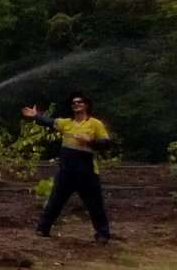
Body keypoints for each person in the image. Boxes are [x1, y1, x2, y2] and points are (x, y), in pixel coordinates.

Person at [21, 91, 112, 241]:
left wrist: (89, 141)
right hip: (67, 170)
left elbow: (106, 144)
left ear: (86, 105)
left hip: (87, 171)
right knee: (55, 200)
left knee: (95, 204)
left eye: (80, 102)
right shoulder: (66, 123)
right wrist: (35, 116)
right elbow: (49, 122)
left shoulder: (95, 124)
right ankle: (43, 229)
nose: (76, 104)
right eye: (73, 103)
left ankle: (102, 234)